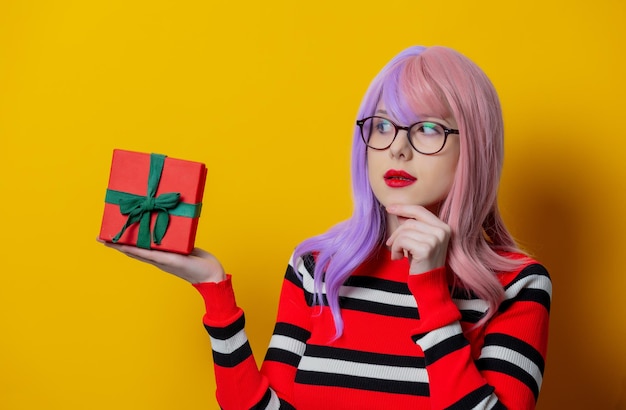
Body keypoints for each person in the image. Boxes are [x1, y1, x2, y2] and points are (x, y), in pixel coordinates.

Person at [100, 45, 552, 409]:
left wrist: (431, 289)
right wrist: (215, 290)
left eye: (428, 129)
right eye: (383, 126)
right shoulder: (318, 267)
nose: (397, 149)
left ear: (475, 147)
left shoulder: (517, 284)